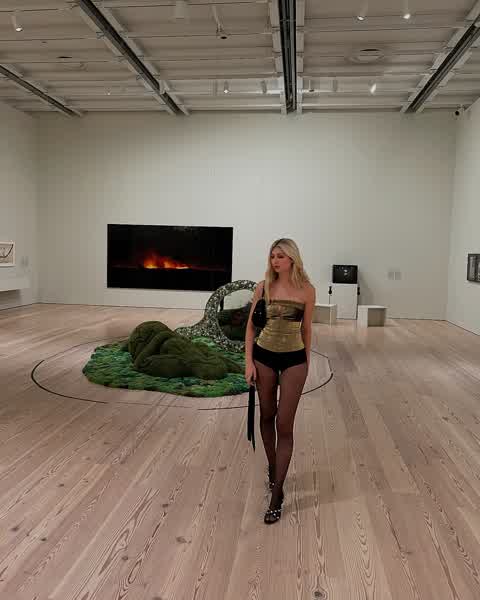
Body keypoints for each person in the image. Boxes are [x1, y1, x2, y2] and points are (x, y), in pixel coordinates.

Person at [244, 238, 315, 524]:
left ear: (292, 259)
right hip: (264, 357)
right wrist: (248, 362)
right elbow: (251, 328)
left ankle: (276, 496)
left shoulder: (307, 290)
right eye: (272, 256)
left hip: (294, 360)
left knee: (284, 425)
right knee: (266, 415)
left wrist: (306, 363)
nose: (275, 261)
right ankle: (273, 468)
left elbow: (307, 329)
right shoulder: (263, 287)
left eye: (281, 256)